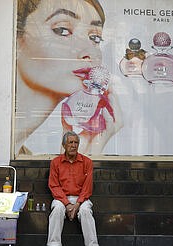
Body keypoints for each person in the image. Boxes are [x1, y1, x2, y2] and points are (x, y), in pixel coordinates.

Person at [15, 0, 123, 156]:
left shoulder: (23, 156)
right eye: (62, 30)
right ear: (17, 39)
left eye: (95, 38)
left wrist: (88, 148)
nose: (89, 52)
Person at [44, 131, 101, 246]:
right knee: (57, 210)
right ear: (64, 145)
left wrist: (77, 204)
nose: (73, 145)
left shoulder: (87, 162)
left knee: (86, 212)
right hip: (61, 198)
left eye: (76, 143)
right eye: (70, 142)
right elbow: (54, 185)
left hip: (81, 199)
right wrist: (67, 204)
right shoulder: (56, 162)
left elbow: (87, 187)